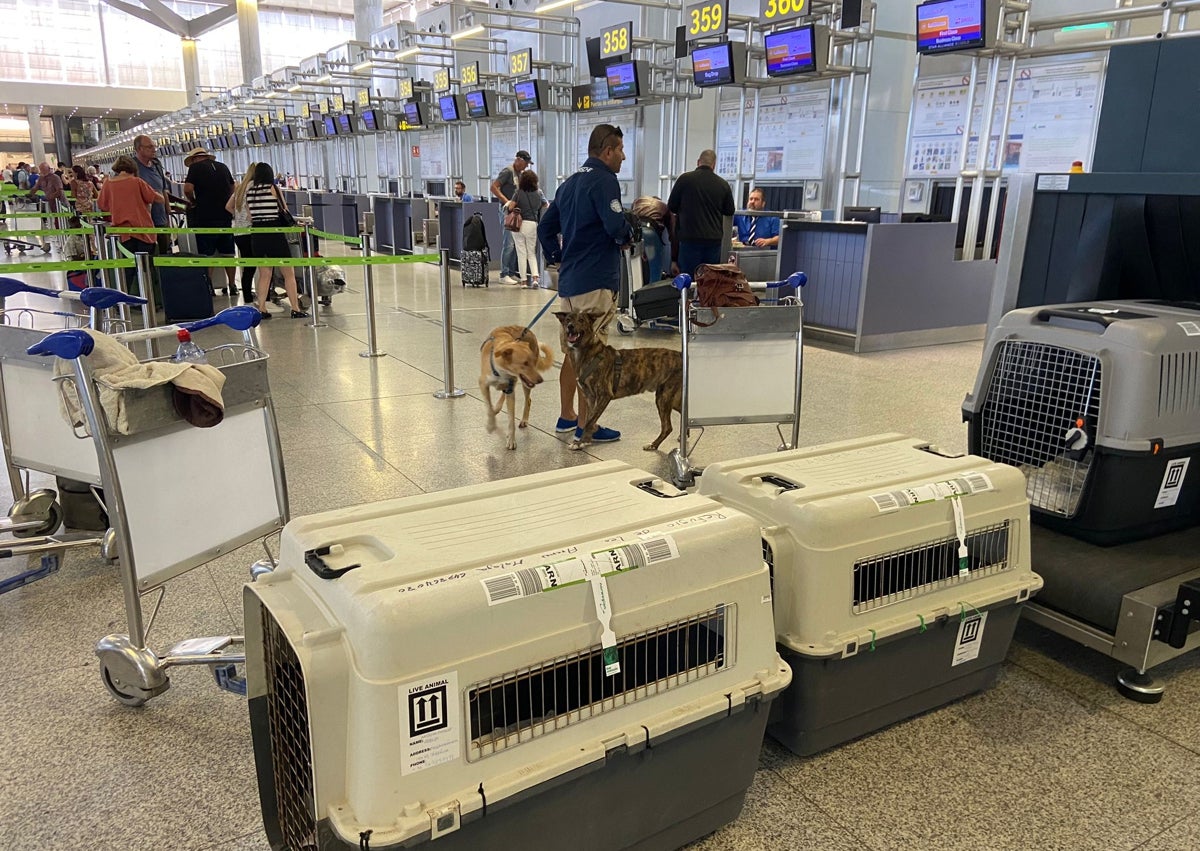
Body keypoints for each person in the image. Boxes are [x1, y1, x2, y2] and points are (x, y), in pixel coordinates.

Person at [538, 124, 633, 444]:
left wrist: (558, 256)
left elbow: (545, 228)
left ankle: (567, 417)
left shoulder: (569, 184)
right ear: (606, 151)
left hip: (570, 282)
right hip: (595, 281)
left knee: (573, 352)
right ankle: (585, 424)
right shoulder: (605, 181)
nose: (623, 155)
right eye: (620, 149)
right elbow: (615, 225)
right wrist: (627, 234)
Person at [245, 162, 307, 319]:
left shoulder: (250, 191)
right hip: (274, 234)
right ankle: (295, 308)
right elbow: (283, 209)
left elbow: (250, 216)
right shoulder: (273, 188)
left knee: (265, 274)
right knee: (289, 273)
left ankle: (262, 309)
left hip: (257, 234)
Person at [97, 155, 161, 297]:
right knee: (146, 269)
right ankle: (148, 300)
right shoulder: (137, 182)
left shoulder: (108, 183)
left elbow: (102, 204)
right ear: (133, 168)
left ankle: (123, 301)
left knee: (126, 271)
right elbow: (157, 198)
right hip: (144, 232)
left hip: (122, 234)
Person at [667, 149, 735, 276]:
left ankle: (687, 296)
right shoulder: (723, 184)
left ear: (698, 162)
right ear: (714, 165)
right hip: (713, 241)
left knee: (688, 279)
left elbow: (672, 206)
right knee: (709, 280)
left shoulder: (684, 180)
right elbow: (729, 210)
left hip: (689, 240)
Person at [183, 146, 237, 296]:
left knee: (207, 254)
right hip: (225, 215)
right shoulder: (223, 167)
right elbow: (233, 186)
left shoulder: (195, 168)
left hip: (204, 216)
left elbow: (187, 189)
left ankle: (209, 286)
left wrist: (193, 201)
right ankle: (232, 284)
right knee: (228, 253)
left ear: (194, 159)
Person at [490, 150, 532, 284]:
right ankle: (504, 274)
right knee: (508, 243)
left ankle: (512, 272)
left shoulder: (520, 174)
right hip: (507, 211)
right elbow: (494, 187)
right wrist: (506, 201)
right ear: (518, 160)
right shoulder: (507, 171)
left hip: (516, 212)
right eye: (525, 163)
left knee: (516, 243)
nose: (526, 166)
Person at [132, 134, 173, 257]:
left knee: (164, 252)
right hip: (142, 221)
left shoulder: (157, 165)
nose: (154, 149)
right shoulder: (132, 167)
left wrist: (168, 210)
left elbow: (163, 189)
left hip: (161, 217)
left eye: (154, 146)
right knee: (147, 256)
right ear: (139, 149)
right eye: (150, 146)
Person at [508, 169, 547, 288]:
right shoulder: (539, 192)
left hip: (518, 224)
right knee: (531, 253)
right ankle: (535, 279)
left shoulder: (518, 193)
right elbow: (546, 205)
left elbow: (510, 207)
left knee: (521, 253)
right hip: (532, 224)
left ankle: (524, 281)